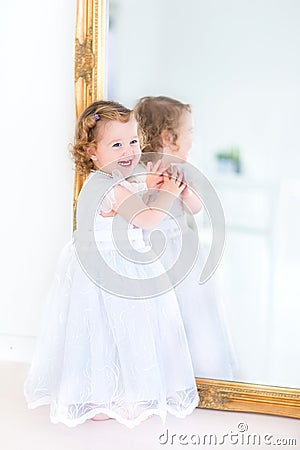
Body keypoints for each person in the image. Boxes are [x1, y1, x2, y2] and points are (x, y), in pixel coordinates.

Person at [23, 100, 200, 428]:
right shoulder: (105, 187)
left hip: (122, 267)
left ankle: (122, 388)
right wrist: (169, 194)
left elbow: (149, 199)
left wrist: (160, 185)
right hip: (106, 272)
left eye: (132, 141)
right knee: (103, 333)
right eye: (116, 144)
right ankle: (98, 395)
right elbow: (146, 220)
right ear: (92, 153)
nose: (128, 151)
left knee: (126, 332)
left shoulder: (123, 181)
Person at [134, 96, 238, 380]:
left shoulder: (181, 170)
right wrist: (156, 188)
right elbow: (141, 214)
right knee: (165, 317)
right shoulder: (143, 172)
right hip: (157, 254)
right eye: (189, 132)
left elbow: (194, 208)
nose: (193, 139)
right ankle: (168, 374)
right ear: (168, 137)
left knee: (197, 312)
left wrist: (184, 192)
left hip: (185, 251)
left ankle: (202, 369)